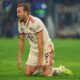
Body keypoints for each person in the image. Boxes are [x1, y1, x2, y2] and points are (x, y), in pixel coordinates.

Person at [17, 3, 73, 77]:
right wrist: (19, 58)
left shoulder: (35, 22)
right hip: (34, 51)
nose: (17, 14)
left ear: (26, 12)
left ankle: (60, 69)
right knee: (27, 73)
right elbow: (21, 41)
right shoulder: (20, 23)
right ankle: (41, 69)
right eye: (17, 12)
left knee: (47, 75)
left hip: (46, 48)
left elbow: (41, 42)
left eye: (19, 12)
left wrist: (40, 60)